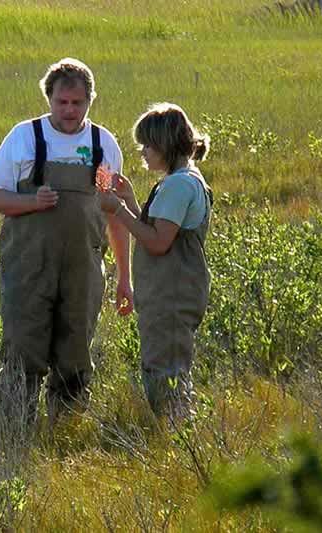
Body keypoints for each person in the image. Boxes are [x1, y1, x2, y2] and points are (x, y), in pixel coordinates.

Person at [0, 58, 132, 428]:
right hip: (27, 269)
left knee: (75, 353)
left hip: (82, 271)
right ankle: (15, 431)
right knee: (22, 349)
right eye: (62, 102)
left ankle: (65, 432)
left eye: (77, 103)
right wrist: (32, 202)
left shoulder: (102, 145)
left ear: (90, 101)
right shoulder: (25, 138)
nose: (69, 110)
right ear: (48, 98)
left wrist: (125, 276)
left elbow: (113, 212)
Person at [99, 102, 212, 417]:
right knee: (166, 367)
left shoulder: (179, 185)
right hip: (171, 292)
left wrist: (117, 210)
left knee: (166, 374)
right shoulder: (183, 179)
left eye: (147, 145)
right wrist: (131, 200)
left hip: (172, 294)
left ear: (165, 144)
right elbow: (156, 229)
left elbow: (159, 243)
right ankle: (177, 432)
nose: (143, 151)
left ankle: (177, 436)